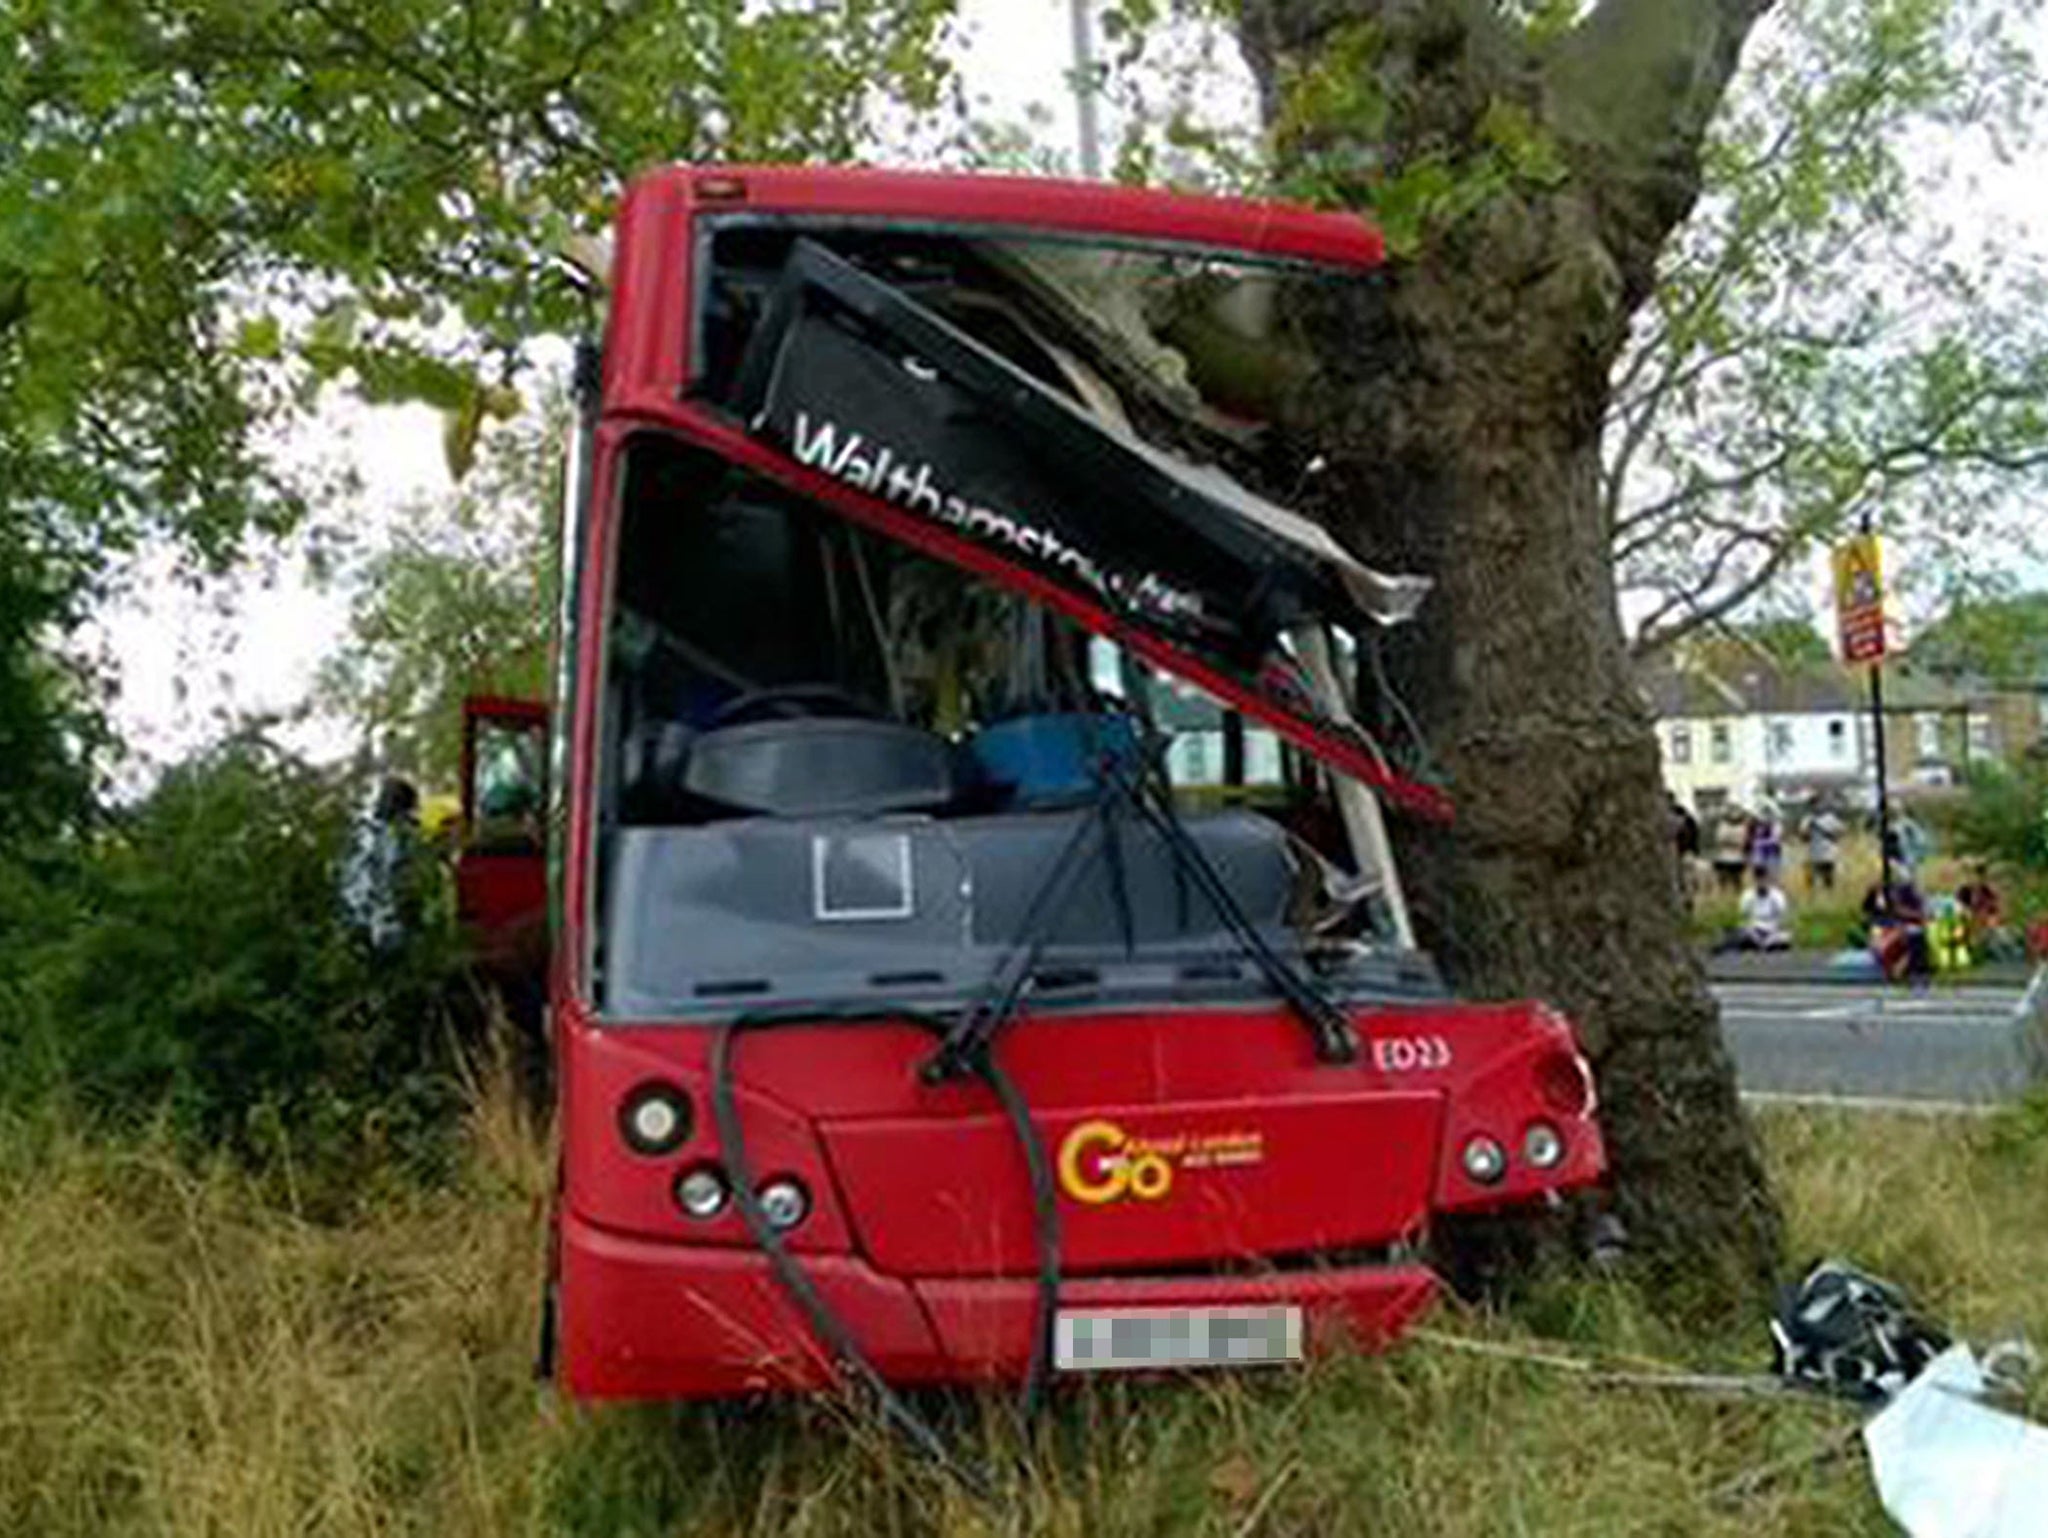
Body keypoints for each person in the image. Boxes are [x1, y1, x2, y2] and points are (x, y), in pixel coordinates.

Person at [1863, 876, 1932, 985]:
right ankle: (1905, 971)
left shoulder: (1892, 900)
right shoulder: (1878, 903)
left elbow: (1897, 912)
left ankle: (1907, 971)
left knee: (1913, 941)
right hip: (1885, 928)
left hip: (1891, 929)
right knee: (1912, 940)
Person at [1718, 866, 1792, 953]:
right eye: (1759, 879)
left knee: (1786, 936)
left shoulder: (1777, 895)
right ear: (1755, 880)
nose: (1762, 882)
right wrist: (1746, 926)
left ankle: (1765, 945)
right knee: (1739, 932)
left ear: (1768, 879)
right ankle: (1758, 945)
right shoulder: (1747, 895)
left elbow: (1783, 917)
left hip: (1772, 931)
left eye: (1764, 879)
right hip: (1754, 930)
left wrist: (1777, 929)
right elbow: (1743, 916)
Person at [1805, 802, 1843, 892]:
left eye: (1818, 804)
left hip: (1828, 853)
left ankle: (1829, 897)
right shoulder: (1808, 819)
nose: (1816, 806)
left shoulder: (1830, 818)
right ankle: (1813, 898)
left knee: (1828, 878)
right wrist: (1808, 832)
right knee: (1810, 880)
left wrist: (1832, 835)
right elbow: (1803, 837)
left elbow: (1842, 830)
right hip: (1814, 854)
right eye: (1813, 804)